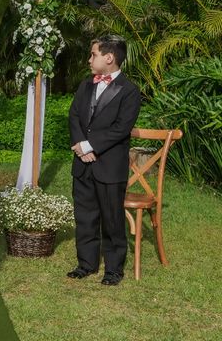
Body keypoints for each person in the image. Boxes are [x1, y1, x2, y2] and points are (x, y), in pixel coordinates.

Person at [67, 35, 141, 286]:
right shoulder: (85, 85)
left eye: (93, 54)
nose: (89, 59)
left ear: (109, 58)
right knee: (85, 216)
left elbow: (121, 128)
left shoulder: (130, 91)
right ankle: (86, 264)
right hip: (83, 162)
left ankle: (113, 269)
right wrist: (80, 147)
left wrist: (91, 145)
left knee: (111, 219)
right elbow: (74, 115)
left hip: (109, 166)